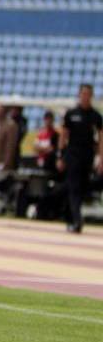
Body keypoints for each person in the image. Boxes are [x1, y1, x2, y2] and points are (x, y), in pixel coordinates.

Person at [58, 84, 103, 234]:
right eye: (83, 94)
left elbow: (101, 139)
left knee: (82, 188)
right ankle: (77, 221)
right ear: (79, 95)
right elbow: (63, 136)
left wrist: (101, 159)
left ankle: (70, 216)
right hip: (73, 156)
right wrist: (61, 156)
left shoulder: (96, 116)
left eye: (88, 94)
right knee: (74, 187)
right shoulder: (71, 114)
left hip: (88, 156)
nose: (85, 97)